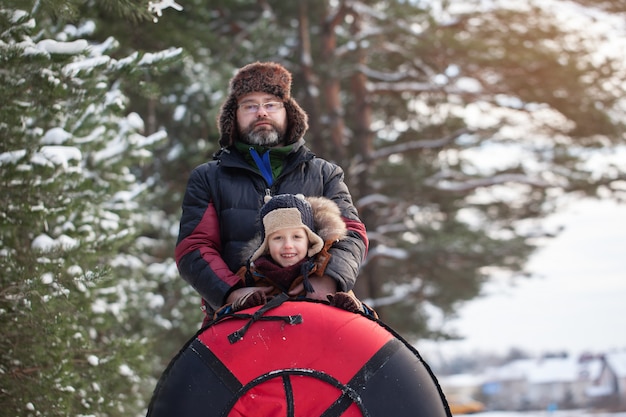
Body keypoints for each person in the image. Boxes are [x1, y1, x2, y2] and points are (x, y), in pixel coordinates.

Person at [175, 61, 368, 325]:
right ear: (234, 116)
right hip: (237, 321)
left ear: (289, 113)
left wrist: (329, 279)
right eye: (250, 105)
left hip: (321, 315)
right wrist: (231, 292)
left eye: (271, 104)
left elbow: (352, 233)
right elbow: (194, 246)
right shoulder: (208, 178)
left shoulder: (325, 174)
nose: (261, 112)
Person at [217, 193, 375, 317]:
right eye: (277, 238)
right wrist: (237, 307)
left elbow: (367, 327)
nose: (288, 245)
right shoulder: (251, 277)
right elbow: (221, 322)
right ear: (266, 245)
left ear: (309, 240)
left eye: (297, 237)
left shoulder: (323, 274)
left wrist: (355, 309)